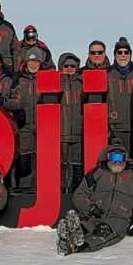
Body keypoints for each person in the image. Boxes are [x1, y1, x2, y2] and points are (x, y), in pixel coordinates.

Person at [56, 143, 133, 256]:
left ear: (126, 159)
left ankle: (76, 246)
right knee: (85, 223)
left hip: (117, 219)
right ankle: (71, 232)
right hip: (94, 214)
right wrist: (90, 207)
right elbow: (79, 195)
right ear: (106, 158)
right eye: (113, 158)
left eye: (120, 158)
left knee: (101, 234)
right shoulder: (96, 174)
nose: (117, 162)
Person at [6, 48, 43, 191]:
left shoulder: (45, 78)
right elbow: (11, 100)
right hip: (24, 126)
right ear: (26, 63)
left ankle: (40, 189)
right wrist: (16, 106)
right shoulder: (18, 80)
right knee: (24, 159)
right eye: (30, 61)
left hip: (42, 126)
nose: (33, 64)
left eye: (36, 61)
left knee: (41, 159)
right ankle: (24, 189)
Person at [53, 52, 84, 193]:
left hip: (78, 132)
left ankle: (75, 193)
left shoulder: (82, 84)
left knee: (78, 166)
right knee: (62, 166)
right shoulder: (56, 83)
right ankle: (60, 193)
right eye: (66, 66)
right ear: (61, 67)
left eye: (73, 66)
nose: (69, 68)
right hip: (61, 133)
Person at [106, 36, 133, 151]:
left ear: (130, 55)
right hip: (114, 129)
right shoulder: (107, 75)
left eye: (126, 52)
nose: (123, 55)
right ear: (114, 55)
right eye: (119, 52)